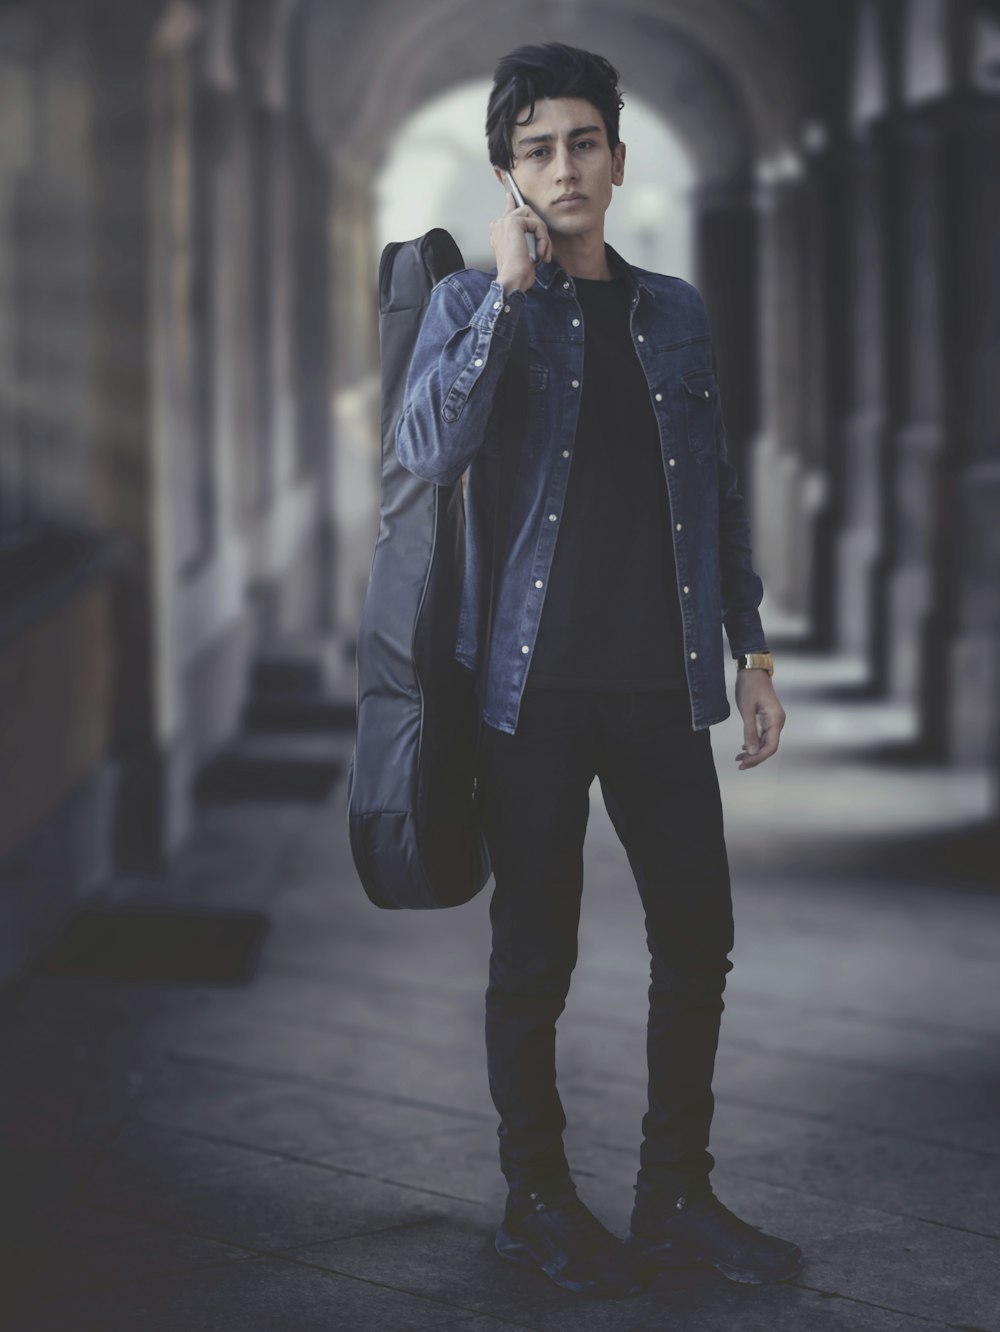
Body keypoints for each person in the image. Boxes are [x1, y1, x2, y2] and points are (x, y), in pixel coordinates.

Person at [395, 41, 801, 1299]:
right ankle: (537, 1199)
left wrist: (753, 647)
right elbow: (428, 449)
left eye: (582, 143)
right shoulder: (478, 304)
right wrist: (507, 297)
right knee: (536, 957)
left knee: (699, 941)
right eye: (536, 150)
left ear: (617, 161)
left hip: (660, 685)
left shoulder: (672, 308)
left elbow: (716, 489)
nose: (563, 166)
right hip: (529, 695)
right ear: (509, 174)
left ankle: (674, 1193)